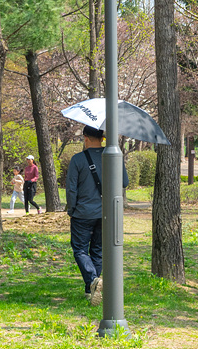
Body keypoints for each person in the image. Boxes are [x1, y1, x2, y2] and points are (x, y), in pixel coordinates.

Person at [66, 125, 130, 306]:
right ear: (102, 137)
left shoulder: (77, 159)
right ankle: (90, 290)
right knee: (98, 251)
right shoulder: (113, 156)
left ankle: (93, 280)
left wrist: (72, 209)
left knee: (79, 249)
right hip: (106, 213)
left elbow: (71, 189)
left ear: (86, 138)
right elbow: (124, 182)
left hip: (83, 213)